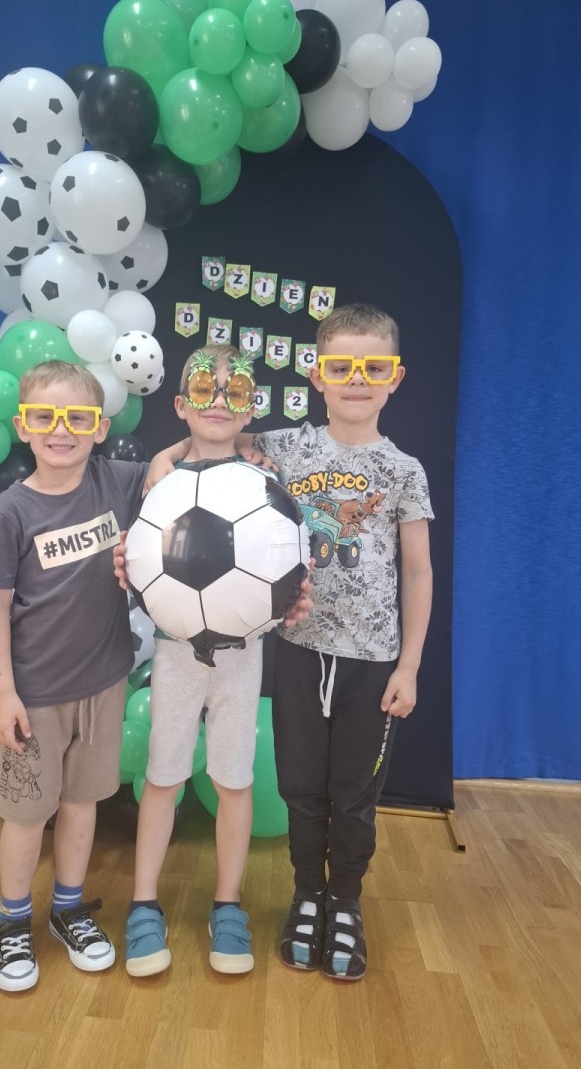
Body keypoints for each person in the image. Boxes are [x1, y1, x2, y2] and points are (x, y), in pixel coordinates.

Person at [0, 359, 189, 992]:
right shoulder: (10, 511)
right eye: (44, 417)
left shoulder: (115, 480)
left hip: (104, 683)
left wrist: (180, 452)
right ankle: (12, 920)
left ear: (100, 428)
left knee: (82, 803)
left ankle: (68, 907)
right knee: (25, 813)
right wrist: (3, 691)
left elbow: (173, 462)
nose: (60, 430)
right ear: (23, 426)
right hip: (35, 694)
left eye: (78, 418)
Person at [241, 303, 434, 981]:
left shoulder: (404, 470)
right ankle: (306, 895)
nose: (357, 379)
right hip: (299, 651)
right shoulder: (288, 448)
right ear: (316, 374)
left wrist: (409, 665)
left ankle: (345, 901)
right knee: (301, 788)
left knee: (353, 795)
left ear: (395, 378)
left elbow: (418, 570)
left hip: (373, 663)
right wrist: (165, 458)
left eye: (373, 368)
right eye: (342, 366)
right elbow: (213, 436)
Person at [118, 345, 311, 979]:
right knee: (163, 778)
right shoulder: (162, 482)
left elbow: (287, 554)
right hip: (176, 653)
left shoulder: (264, 480)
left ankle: (227, 906)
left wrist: (290, 590)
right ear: (181, 404)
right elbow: (140, 555)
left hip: (242, 655)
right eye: (205, 389)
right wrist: (132, 566)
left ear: (252, 406)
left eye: (236, 392)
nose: (220, 402)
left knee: (234, 780)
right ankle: (143, 904)